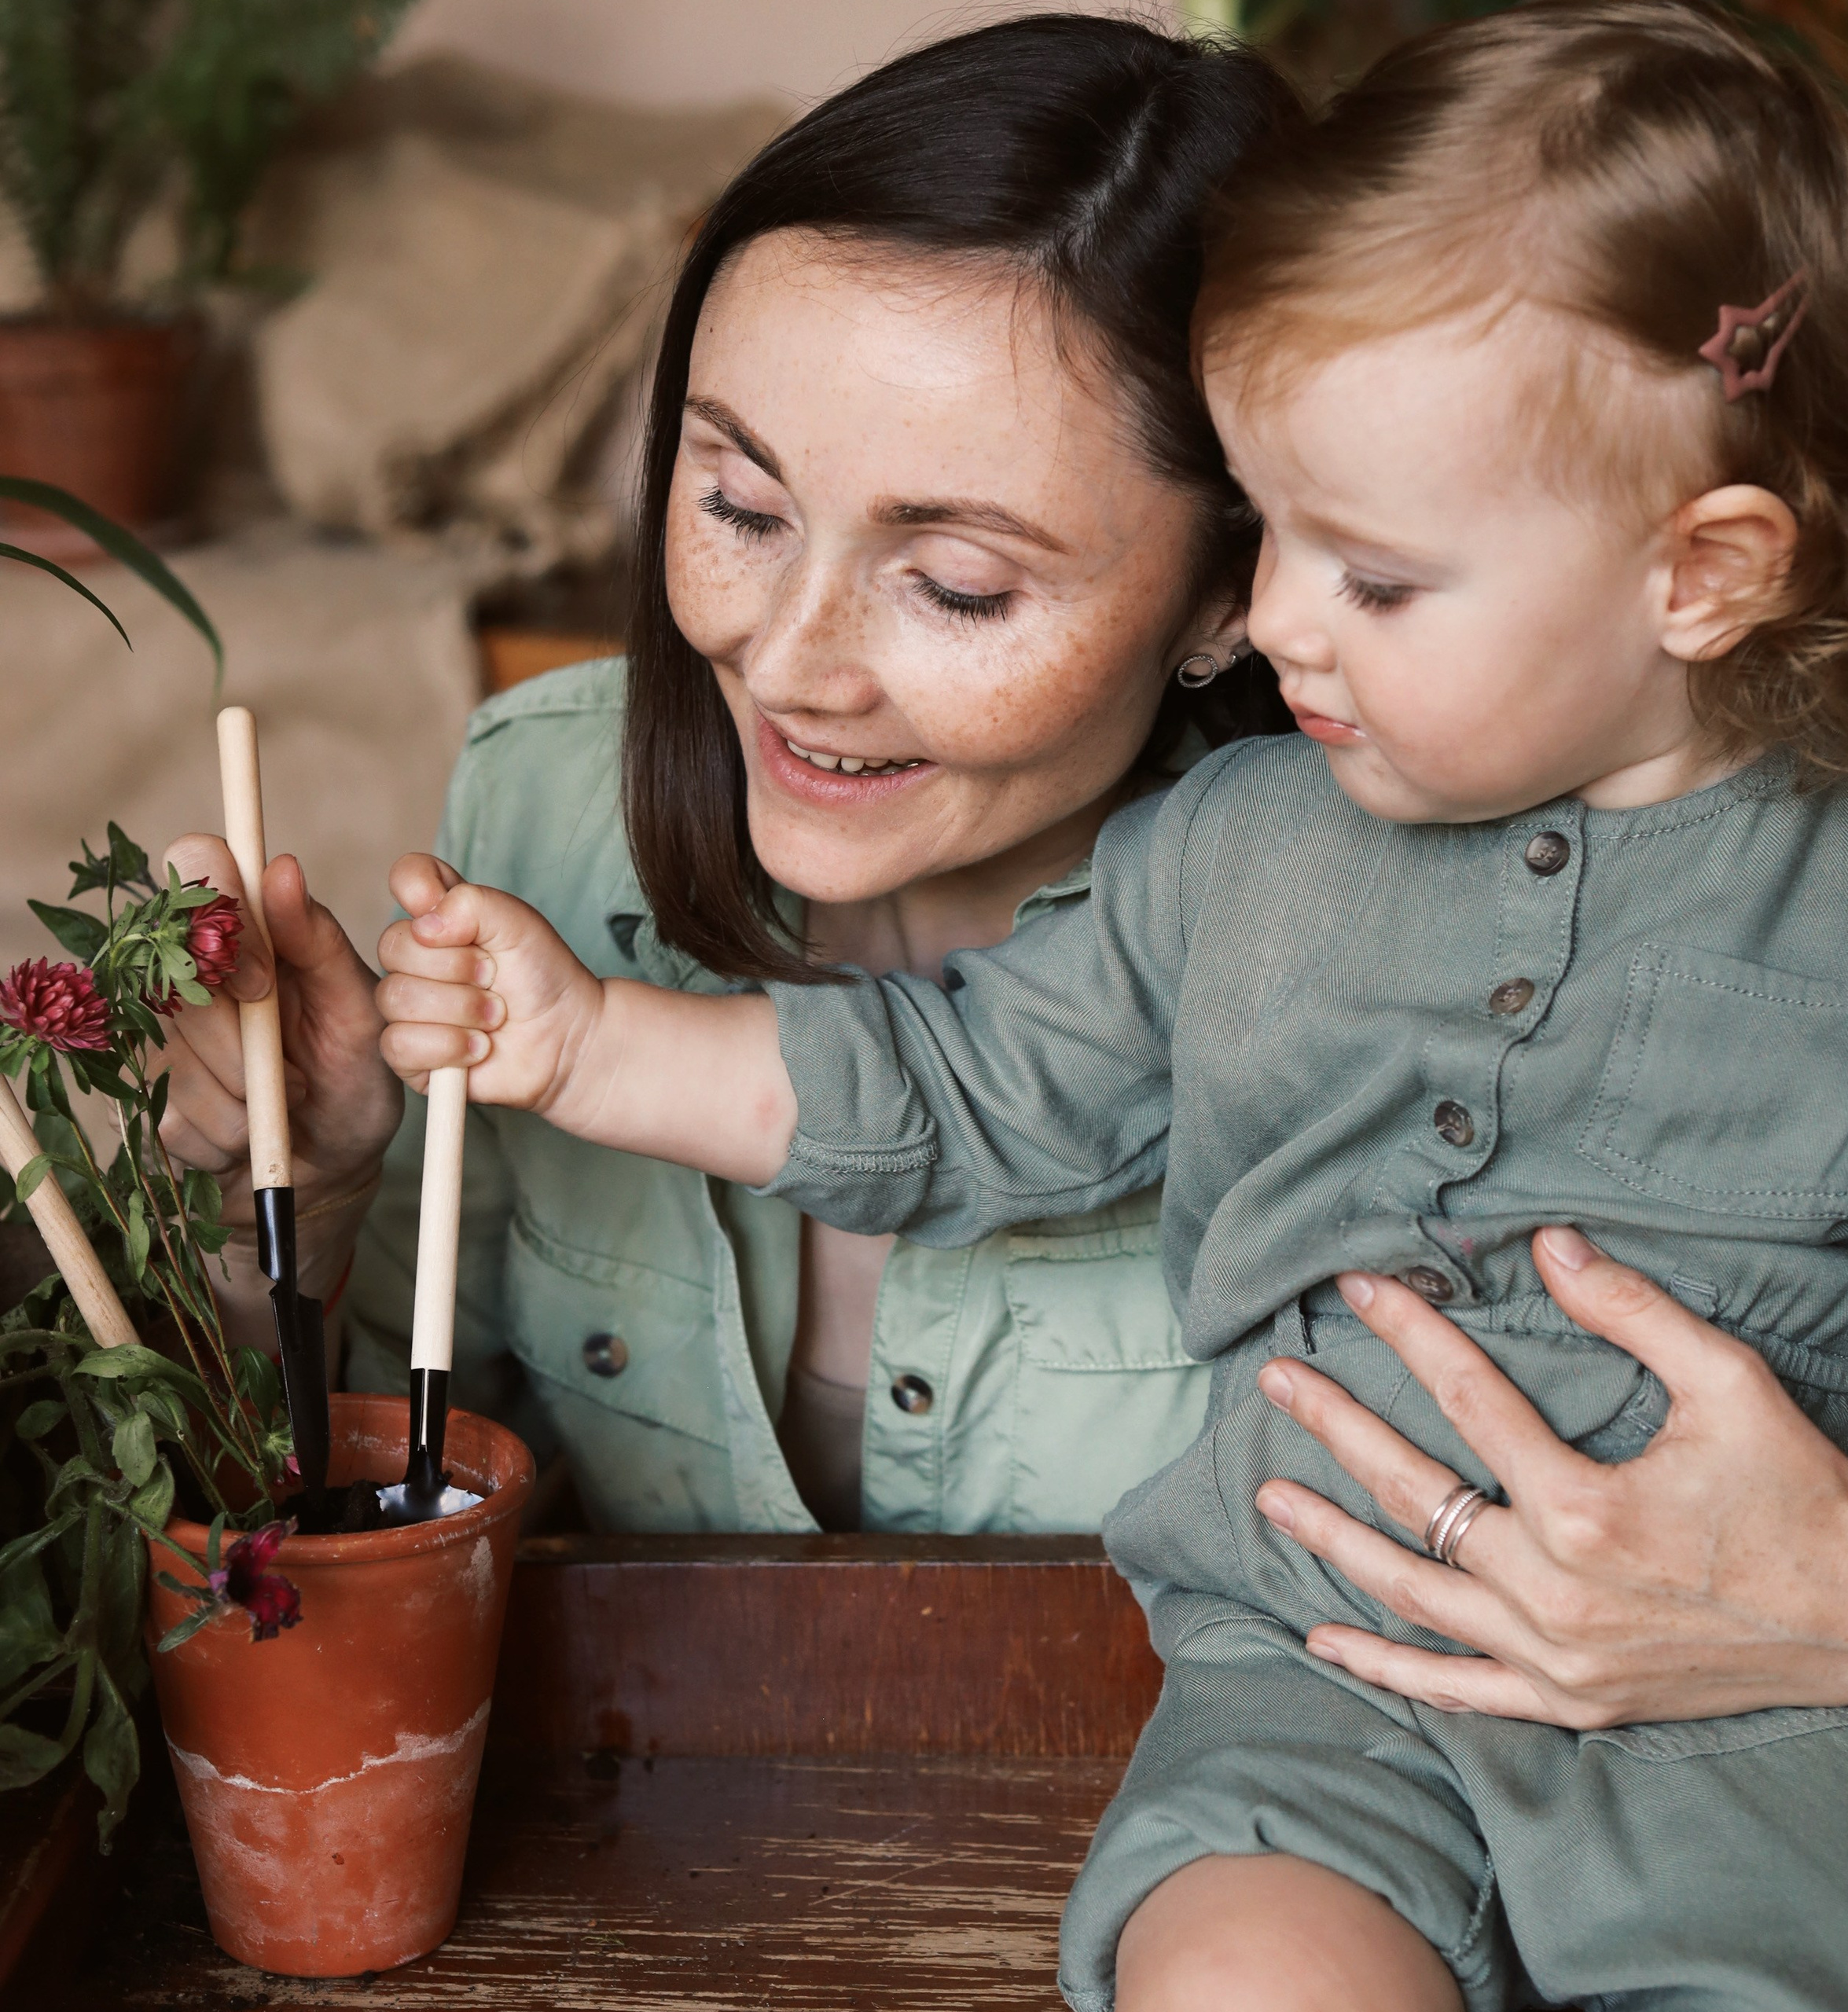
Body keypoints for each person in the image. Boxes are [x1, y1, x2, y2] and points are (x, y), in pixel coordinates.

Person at [375, 6, 1848, 2008]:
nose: (1285, 613)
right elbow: (954, 1087)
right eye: (731, 501)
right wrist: (578, 1042)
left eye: (1372, 573)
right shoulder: (1229, 847)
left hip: (1791, 1745)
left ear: (1700, 573)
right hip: (1306, 1696)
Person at [158, 15, 1297, 1535]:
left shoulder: (1370, 950)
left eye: (957, 583)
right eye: (741, 506)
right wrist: (305, 1199)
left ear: (1237, 588)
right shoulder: (548, 797)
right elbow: (357, 1528)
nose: (786, 661)